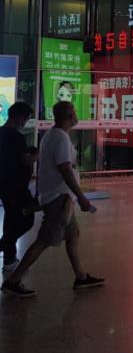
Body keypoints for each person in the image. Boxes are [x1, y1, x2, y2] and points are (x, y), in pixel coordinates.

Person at [1, 101, 102, 298]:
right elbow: (65, 169)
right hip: (59, 199)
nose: (76, 117)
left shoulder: (52, 135)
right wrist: (81, 197)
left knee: (73, 235)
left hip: (62, 198)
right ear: (69, 117)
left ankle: (81, 276)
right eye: (74, 113)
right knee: (44, 240)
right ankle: (13, 280)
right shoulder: (60, 138)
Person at [0, 102, 37, 271]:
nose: (25, 122)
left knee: (11, 219)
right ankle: (4, 245)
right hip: (16, 187)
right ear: (19, 116)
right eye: (26, 118)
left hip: (4, 185)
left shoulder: (1, 132)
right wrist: (35, 155)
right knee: (27, 219)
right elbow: (25, 160)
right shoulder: (16, 137)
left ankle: (9, 259)